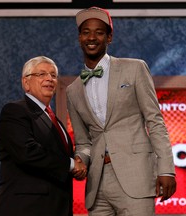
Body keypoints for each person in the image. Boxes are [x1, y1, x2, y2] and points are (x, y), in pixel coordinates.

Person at [66, 7, 177, 216]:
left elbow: (155, 121)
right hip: (97, 184)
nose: (92, 37)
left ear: (109, 37)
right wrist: (80, 160)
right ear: (80, 37)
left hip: (136, 175)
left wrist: (165, 169)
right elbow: (83, 143)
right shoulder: (73, 90)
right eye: (86, 32)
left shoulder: (134, 68)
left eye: (99, 32)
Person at [0, 56, 87, 216]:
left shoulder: (56, 121)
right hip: (25, 209)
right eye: (41, 74)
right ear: (26, 82)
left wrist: (78, 167)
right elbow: (27, 152)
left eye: (53, 75)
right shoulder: (15, 111)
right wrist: (71, 165)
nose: (49, 79)